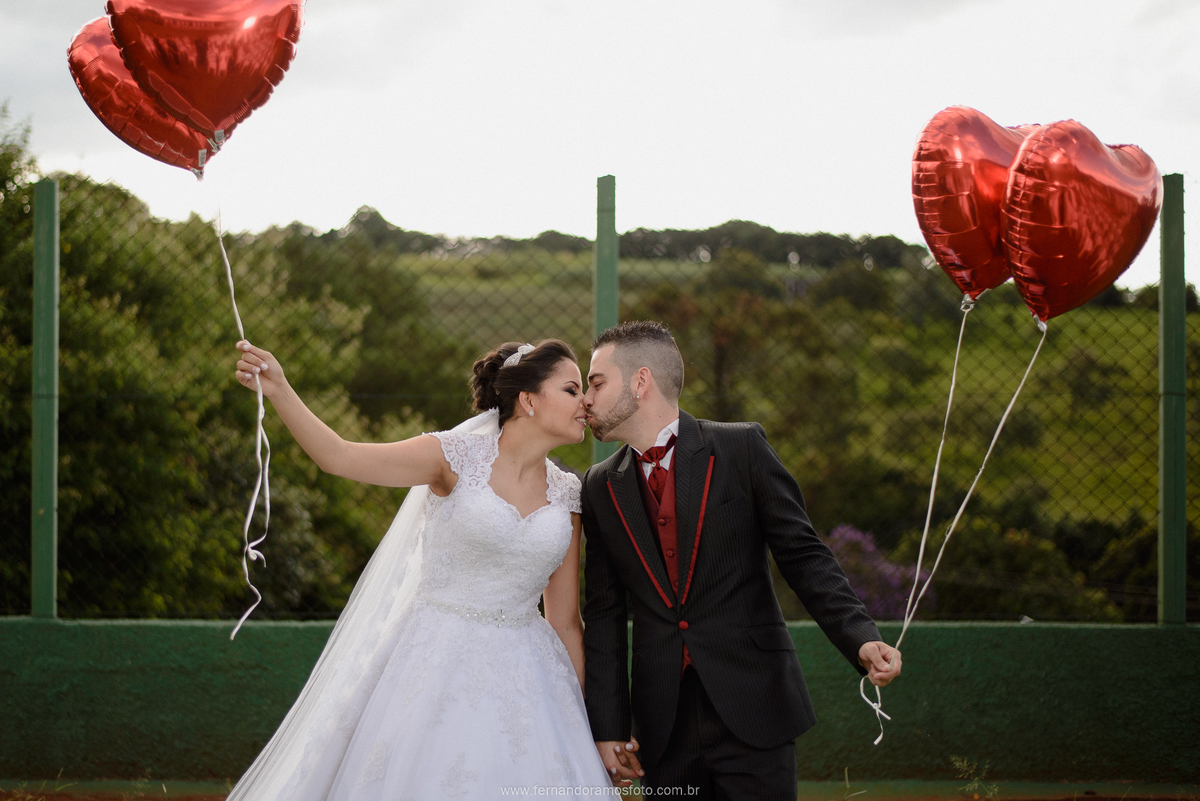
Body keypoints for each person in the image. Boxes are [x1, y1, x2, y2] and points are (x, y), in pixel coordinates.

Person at [225, 338, 614, 799]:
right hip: (434, 659)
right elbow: (340, 457)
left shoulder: (568, 494)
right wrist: (279, 388)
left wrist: (592, 724)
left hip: (533, 679)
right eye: (572, 390)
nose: (586, 402)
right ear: (528, 400)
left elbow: (566, 621)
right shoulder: (451, 457)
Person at [580, 320, 903, 798]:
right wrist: (608, 726)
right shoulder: (600, 485)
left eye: (596, 382)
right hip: (661, 725)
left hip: (755, 704)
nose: (586, 398)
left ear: (640, 381)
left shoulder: (740, 447)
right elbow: (604, 614)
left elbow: (803, 553)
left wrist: (860, 638)